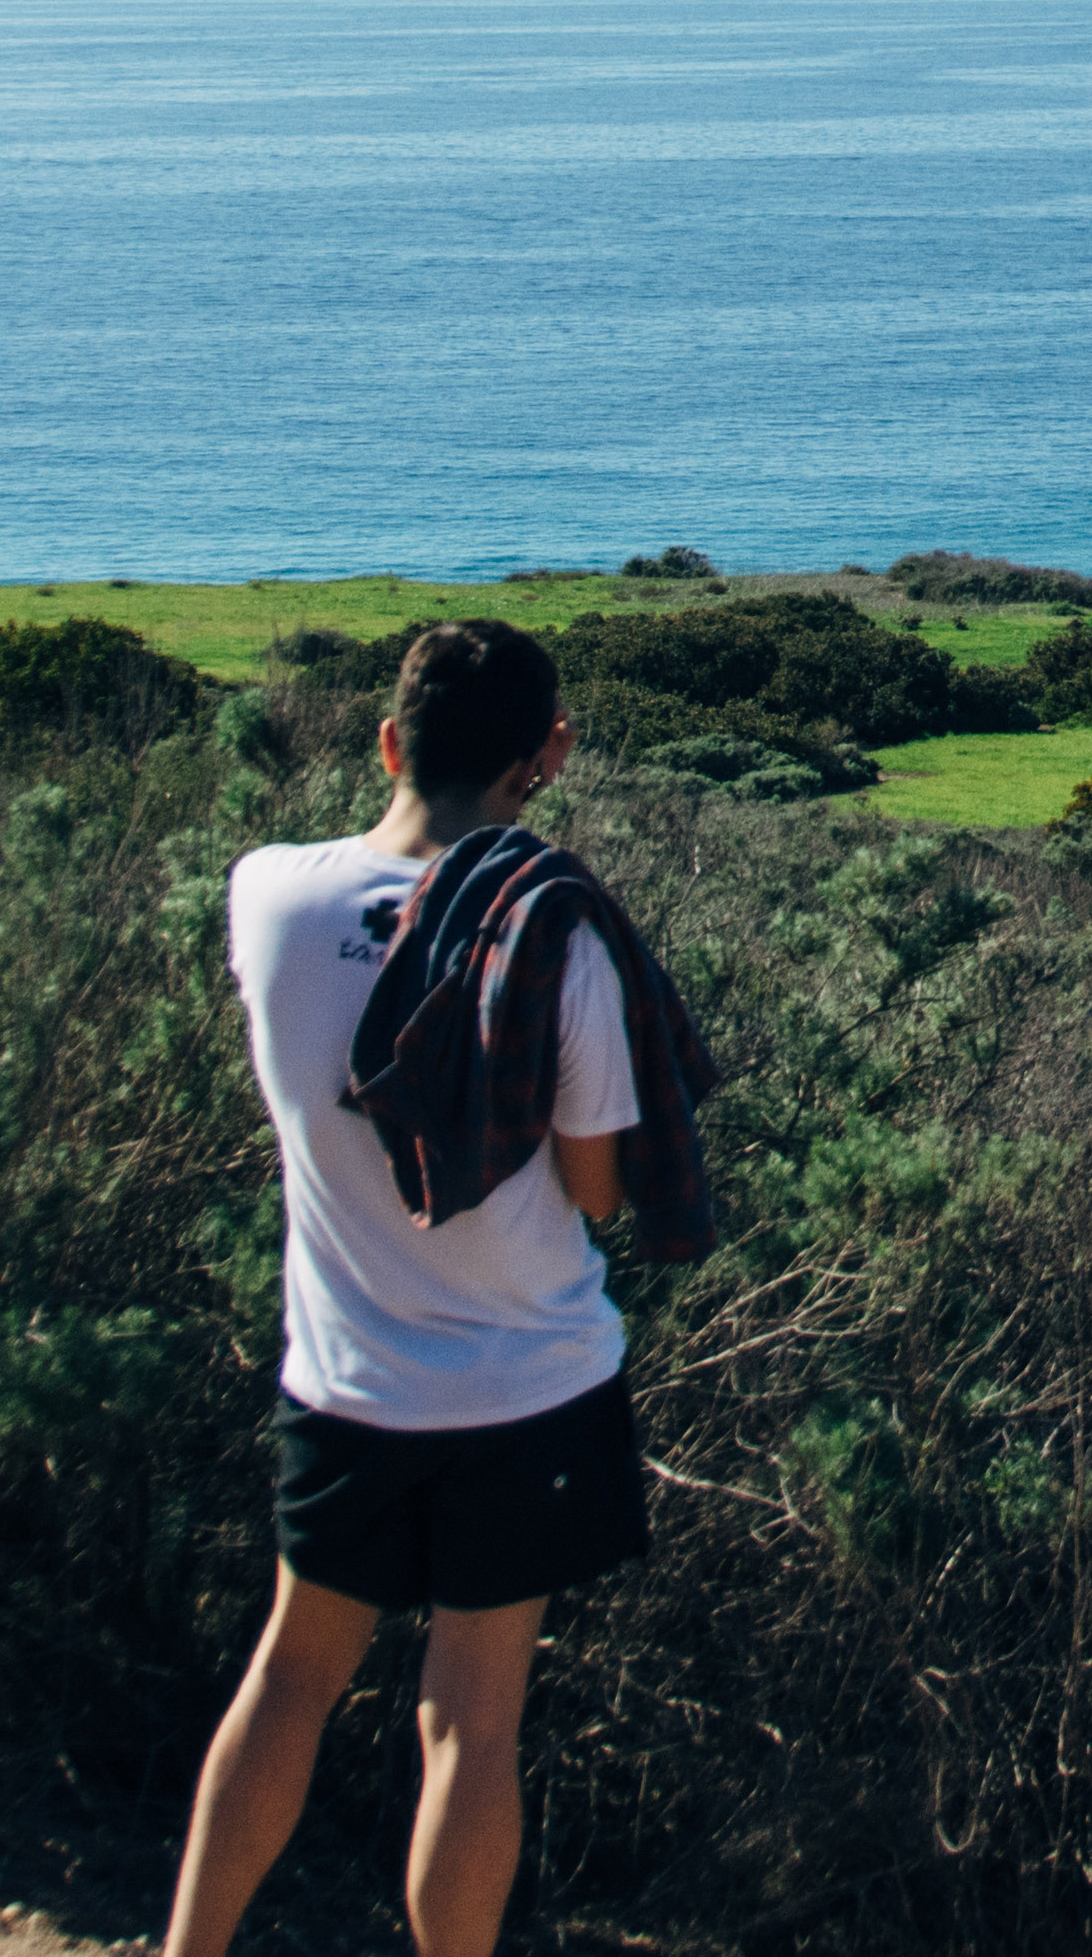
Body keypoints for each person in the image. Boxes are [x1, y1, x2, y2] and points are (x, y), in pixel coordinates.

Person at [166, 618, 652, 1957]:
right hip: (526, 1387)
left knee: (289, 1678)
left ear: (389, 744)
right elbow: (599, 1190)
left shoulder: (267, 892)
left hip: (345, 1381)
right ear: (545, 754)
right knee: (471, 1722)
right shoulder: (558, 938)